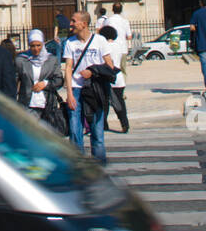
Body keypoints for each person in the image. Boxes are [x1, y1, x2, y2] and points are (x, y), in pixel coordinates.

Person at [63, 11, 115, 162]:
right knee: (74, 129)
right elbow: (68, 67)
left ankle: (99, 166)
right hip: (77, 89)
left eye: (74, 21)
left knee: (97, 131)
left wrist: (92, 71)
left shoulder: (100, 41)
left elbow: (109, 65)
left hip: (95, 90)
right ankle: (78, 165)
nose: (70, 24)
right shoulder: (70, 43)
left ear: (84, 24)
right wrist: (70, 93)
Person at [16, 29, 65, 132]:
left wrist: (45, 84)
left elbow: (59, 80)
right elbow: (14, 80)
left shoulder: (51, 60)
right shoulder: (21, 60)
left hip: (48, 105)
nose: (36, 49)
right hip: (28, 105)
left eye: (38, 45)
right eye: (32, 46)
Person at [101, 22, 129, 133]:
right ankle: (124, 123)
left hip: (108, 78)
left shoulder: (104, 46)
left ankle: (104, 124)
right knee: (120, 103)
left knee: (104, 104)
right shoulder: (118, 45)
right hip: (119, 78)